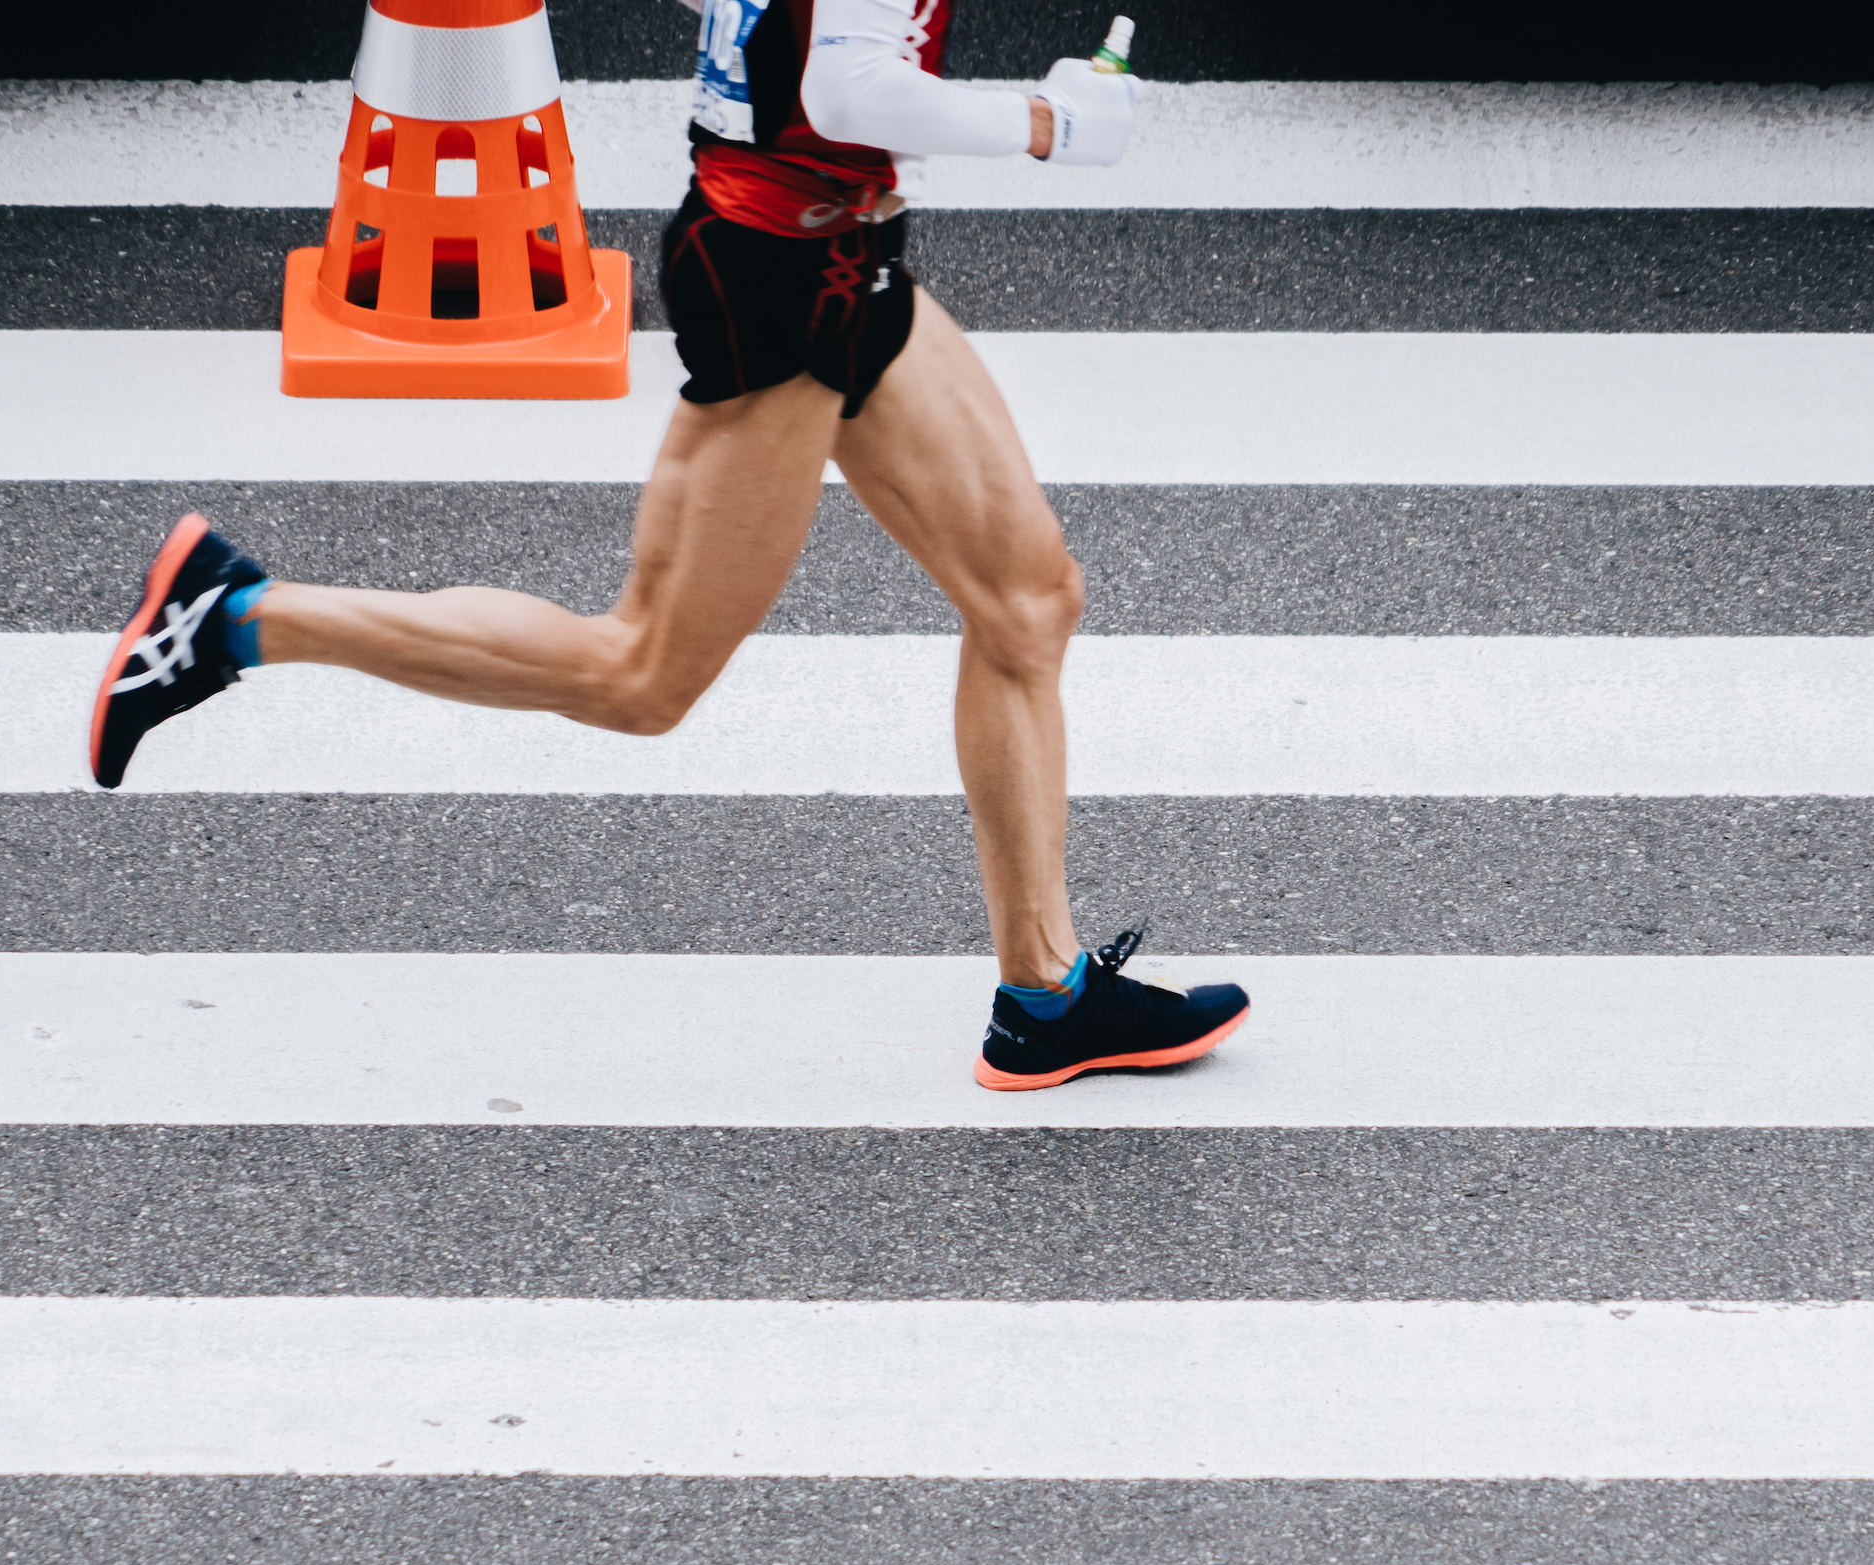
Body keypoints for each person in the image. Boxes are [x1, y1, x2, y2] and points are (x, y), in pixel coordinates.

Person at [88, 0, 1249, 1092]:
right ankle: (233, 618)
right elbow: (843, 91)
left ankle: (1045, 999)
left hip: (845, 258)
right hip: (787, 280)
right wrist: (1046, 123)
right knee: (638, 675)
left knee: (1028, 603)